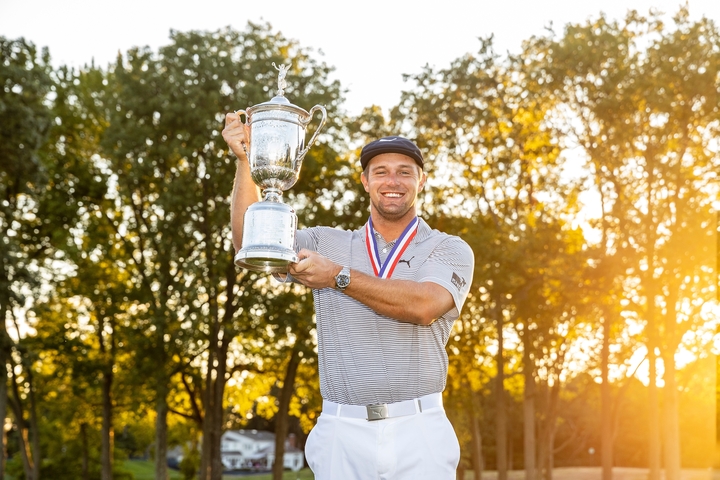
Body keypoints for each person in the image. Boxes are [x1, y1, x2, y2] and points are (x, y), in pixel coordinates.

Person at [223, 114, 475, 480]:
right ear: (365, 181)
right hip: (342, 429)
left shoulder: (448, 248)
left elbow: (424, 306)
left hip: (419, 429)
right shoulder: (328, 243)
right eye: (381, 172)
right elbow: (251, 241)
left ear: (422, 180)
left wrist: (337, 276)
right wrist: (247, 161)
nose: (393, 181)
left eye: (405, 172)